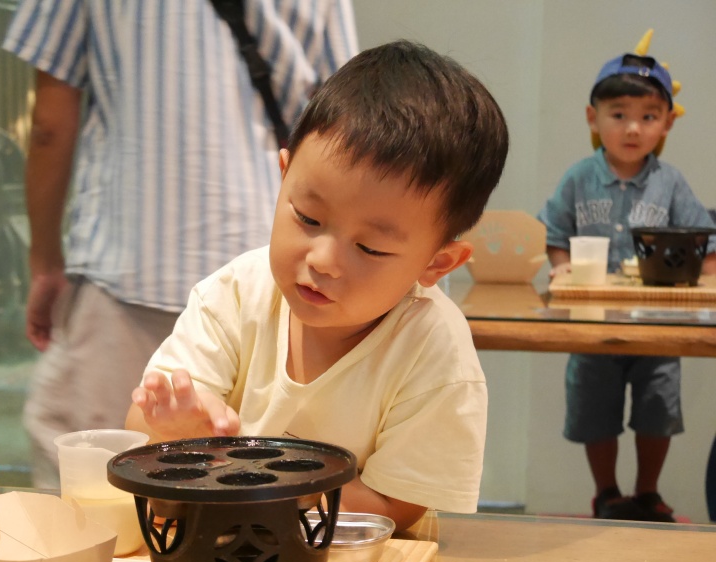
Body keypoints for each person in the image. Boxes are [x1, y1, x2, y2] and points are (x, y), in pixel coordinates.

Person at [126, 41, 510, 532]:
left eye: (370, 248)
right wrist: (171, 434)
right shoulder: (237, 294)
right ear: (283, 177)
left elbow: (396, 505)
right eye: (307, 217)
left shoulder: (434, 349)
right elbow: (139, 431)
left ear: (437, 263)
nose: (323, 261)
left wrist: (229, 470)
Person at [1, 2, 358, 488]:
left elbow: (49, 125)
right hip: (268, 285)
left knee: (93, 497)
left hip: (127, 271)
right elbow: (344, 117)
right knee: (251, 499)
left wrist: (45, 259)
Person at [538, 43, 716, 522]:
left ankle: (647, 493)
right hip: (592, 324)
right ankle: (608, 493)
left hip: (657, 324)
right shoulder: (578, 179)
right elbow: (555, 235)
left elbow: (706, 244)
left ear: (667, 124)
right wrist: (561, 266)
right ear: (593, 118)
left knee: (657, 407)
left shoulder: (671, 183)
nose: (633, 128)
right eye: (618, 114)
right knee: (596, 409)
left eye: (648, 116)